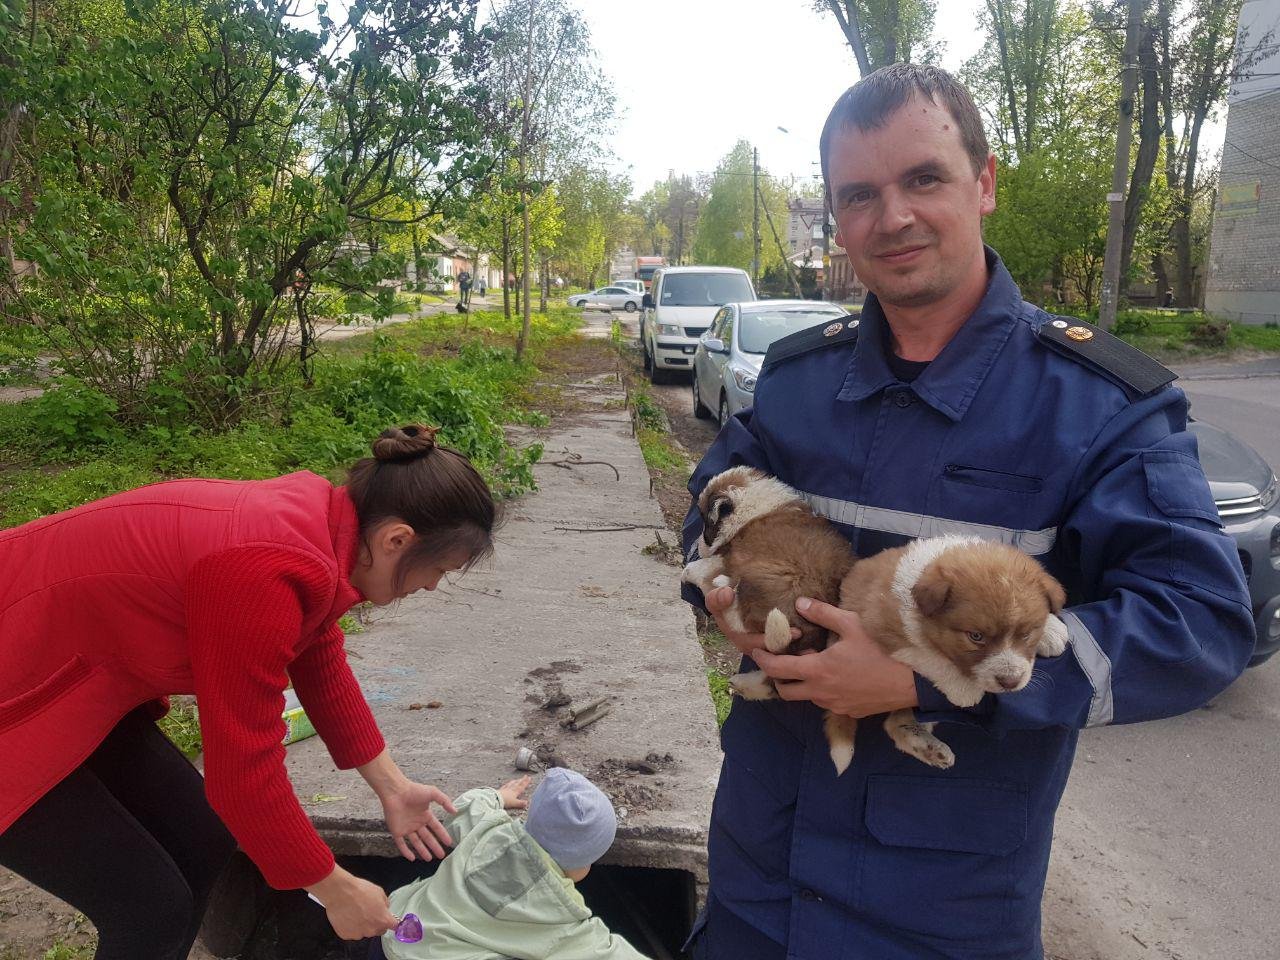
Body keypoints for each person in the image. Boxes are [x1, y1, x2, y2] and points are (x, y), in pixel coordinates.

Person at [680, 64, 1254, 960]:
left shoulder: (1097, 406)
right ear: (839, 219)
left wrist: (924, 679)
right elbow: (708, 516)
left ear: (983, 183)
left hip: (943, 905)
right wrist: (724, 598)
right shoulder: (796, 384)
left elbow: (1200, 623)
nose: (893, 217)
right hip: (760, 870)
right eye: (859, 194)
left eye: (923, 178)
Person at [0, 424, 501, 959]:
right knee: (148, 907)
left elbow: (318, 654)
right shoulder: (259, 568)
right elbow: (242, 772)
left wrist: (393, 787)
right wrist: (335, 888)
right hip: (18, 685)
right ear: (396, 540)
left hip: (52, 675)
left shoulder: (318, 528)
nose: (431, 586)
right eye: (438, 569)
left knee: (203, 839)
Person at [373, 768, 646, 960]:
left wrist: (498, 797)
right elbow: (607, 952)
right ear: (583, 860)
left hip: (393, 937)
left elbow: (465, 808)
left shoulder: (489, 830)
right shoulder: (561, 920)